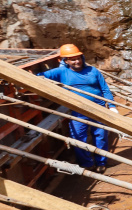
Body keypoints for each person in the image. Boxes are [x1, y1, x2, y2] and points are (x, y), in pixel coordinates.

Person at [39, 44, 118, 173]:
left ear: (82, 57)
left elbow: (105, 89)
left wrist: (112, 106)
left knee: (101, 135)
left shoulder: (93, 71)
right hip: (78, 111)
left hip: (98, 108)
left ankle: (101, 162)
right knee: (78, 138)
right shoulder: (61, 72)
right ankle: (87, 164)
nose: (77, 61)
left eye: (78, 58)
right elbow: (40, 76)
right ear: (65, 61)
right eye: (72, 59)